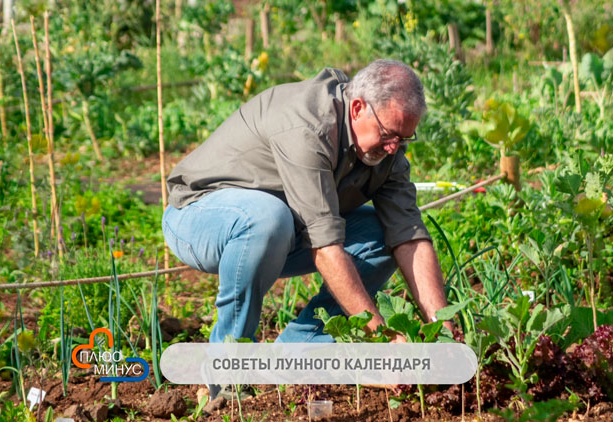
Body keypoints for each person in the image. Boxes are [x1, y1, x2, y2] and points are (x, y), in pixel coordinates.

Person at [162, 59, 451, 349]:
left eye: (403, 139)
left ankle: (294, 356)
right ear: (358, 108)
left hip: (281, 232)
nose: (393, 148)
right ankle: (230, 369)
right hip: (198, 216)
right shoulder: (307, 126)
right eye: (388, 134)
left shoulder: (390, 153)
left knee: (381, 235)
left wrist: (442, 329)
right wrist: (382, 339)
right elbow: (325, 248)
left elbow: (409, 236)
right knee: (267, 218)